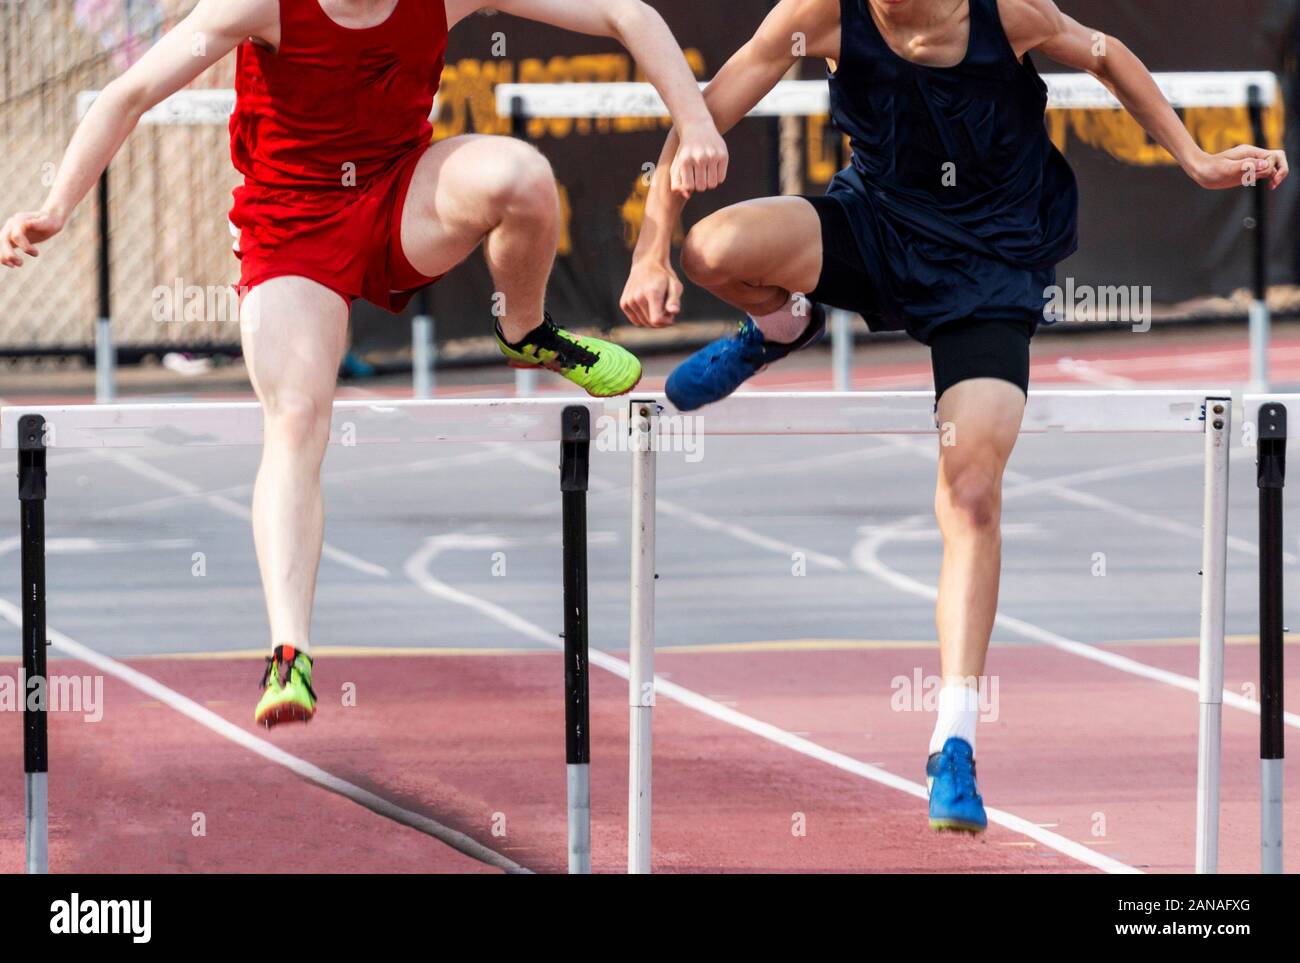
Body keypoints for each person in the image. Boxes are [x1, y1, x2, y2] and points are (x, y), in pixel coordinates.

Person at [620, 0, 1288, 833]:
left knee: (971, 489)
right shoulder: (818, 13)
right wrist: (652, 247)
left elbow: (1107, 52)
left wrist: (1193, 159)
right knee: (710, 249)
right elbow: (704, 109)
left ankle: (955, 739)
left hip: (990, 263)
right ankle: (783, 325)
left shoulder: (1009, 13)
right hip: (876, 228)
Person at [1, 0, 729, 727]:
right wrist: (57, 205)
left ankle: (527, 329)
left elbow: (626, 13)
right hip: (291, 227)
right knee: (296, 417)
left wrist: (694, 120)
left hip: (400, 195)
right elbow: (128, 94)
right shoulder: (258, 7)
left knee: (524, 177)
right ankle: (290, 651)